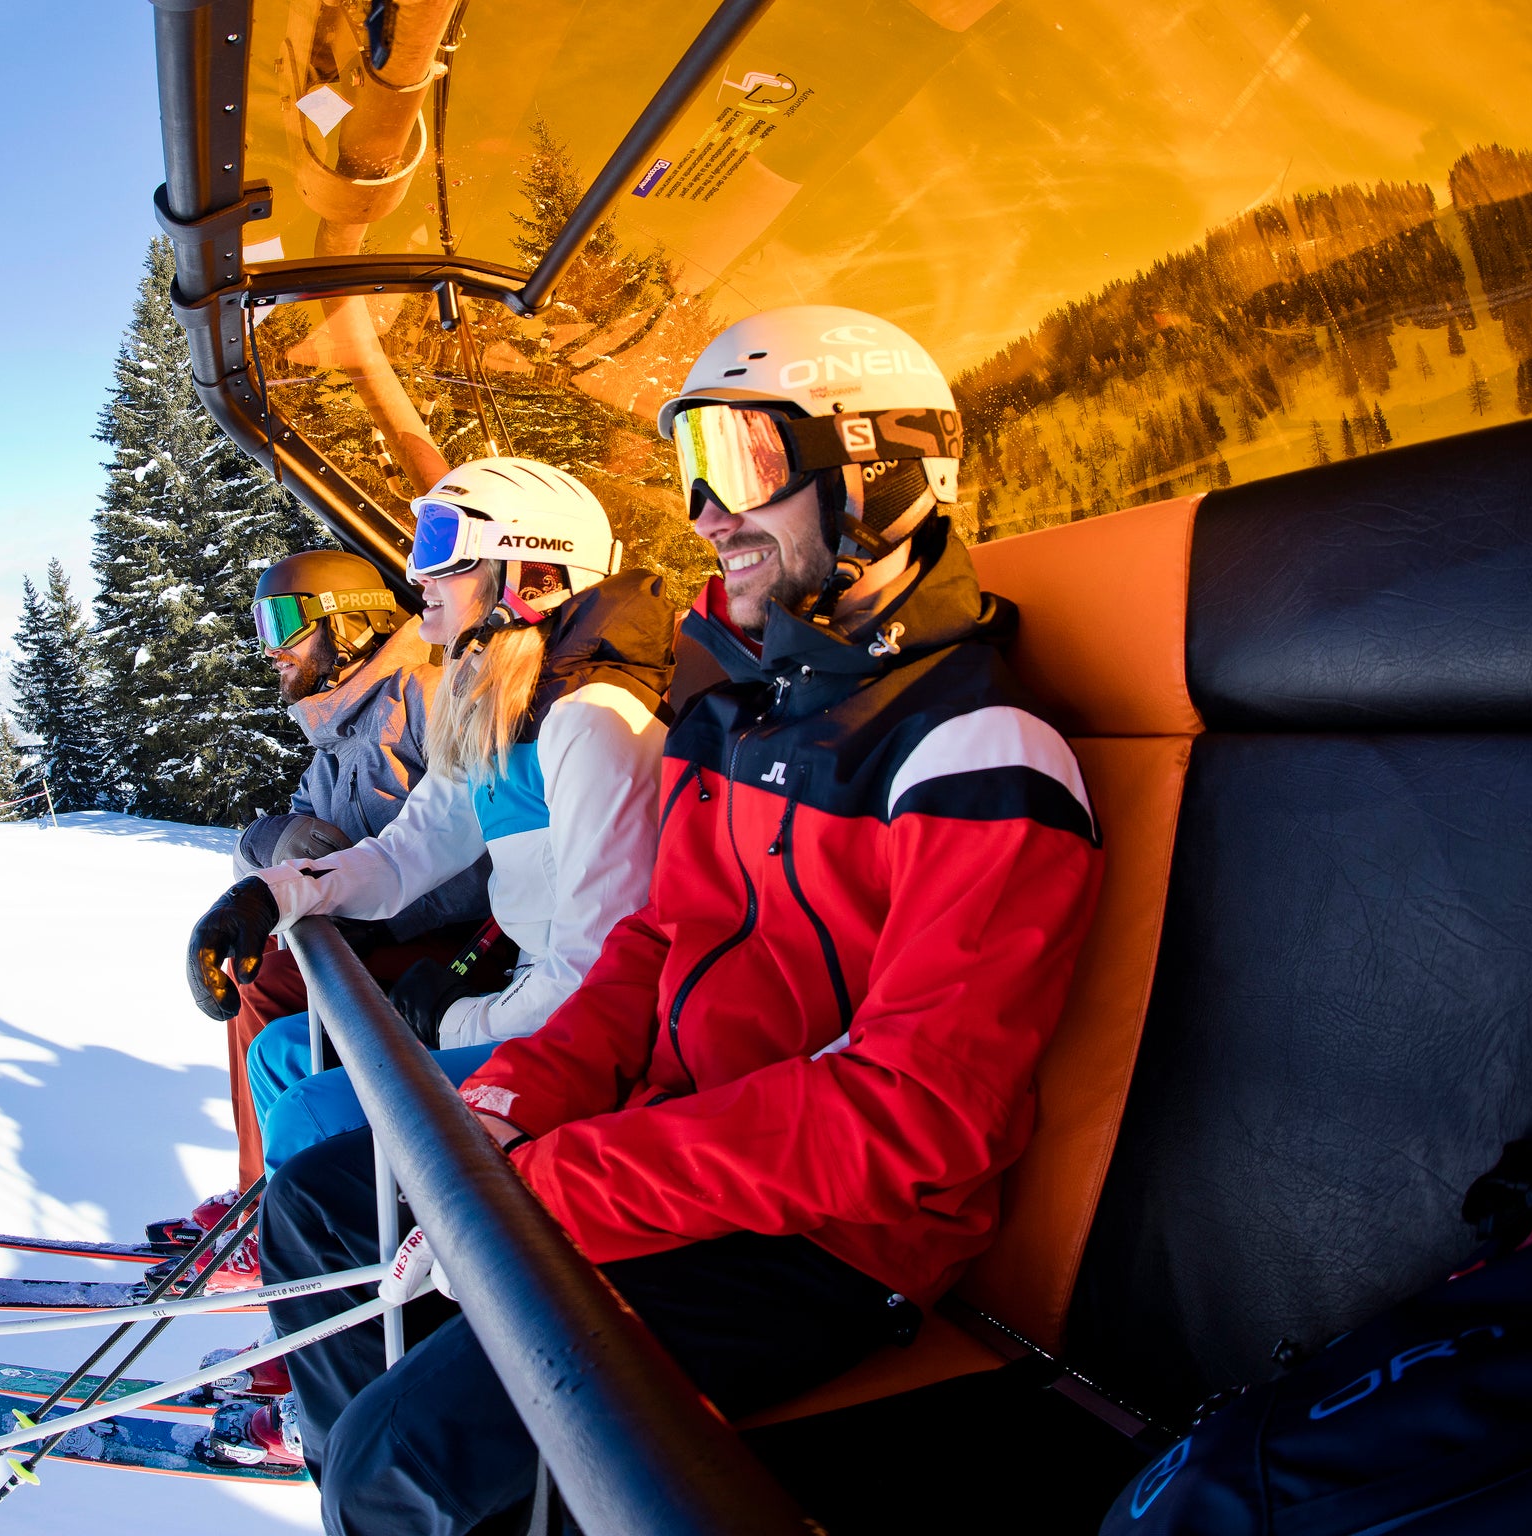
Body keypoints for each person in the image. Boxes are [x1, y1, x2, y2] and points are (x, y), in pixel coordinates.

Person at [259, 306, 1108, 1531]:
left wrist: (566, 1184)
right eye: (692, 473)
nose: (707, 514)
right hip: (668, 1144)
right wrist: (515, 1100)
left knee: (398, 1465)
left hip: (824, 1245)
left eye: (740, 464)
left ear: (875, 466)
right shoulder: (747, 715)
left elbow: (914, 1116)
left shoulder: (971, 750)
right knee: (328, 1200)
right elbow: (652, 944)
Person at [187, 459, 675, 1184]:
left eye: (441, 546)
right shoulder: (502, 709)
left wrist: (455, 1020)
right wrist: (274, 894)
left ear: (531, 570)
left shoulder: (596, 722)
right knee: (282, 1052)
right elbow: (402, 855)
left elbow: (595, 971)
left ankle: (337, 1263)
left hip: (575, 1031)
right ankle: (286, 1225)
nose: (417, 575)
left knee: (311, 1110)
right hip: (524, 1000)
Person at [180, 550, 490, 1202]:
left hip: (463, 951)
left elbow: (479, 851)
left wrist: (362, 916)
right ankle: (269, 1191)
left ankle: (271, 1199)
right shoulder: (341, 733)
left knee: (268, 980)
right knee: (262, 967)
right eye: (262, 626)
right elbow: (281, 839)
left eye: (285, 623)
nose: (271, 649)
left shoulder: (426, 696)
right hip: (394, 938)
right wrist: (269, 838)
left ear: (349, 624)